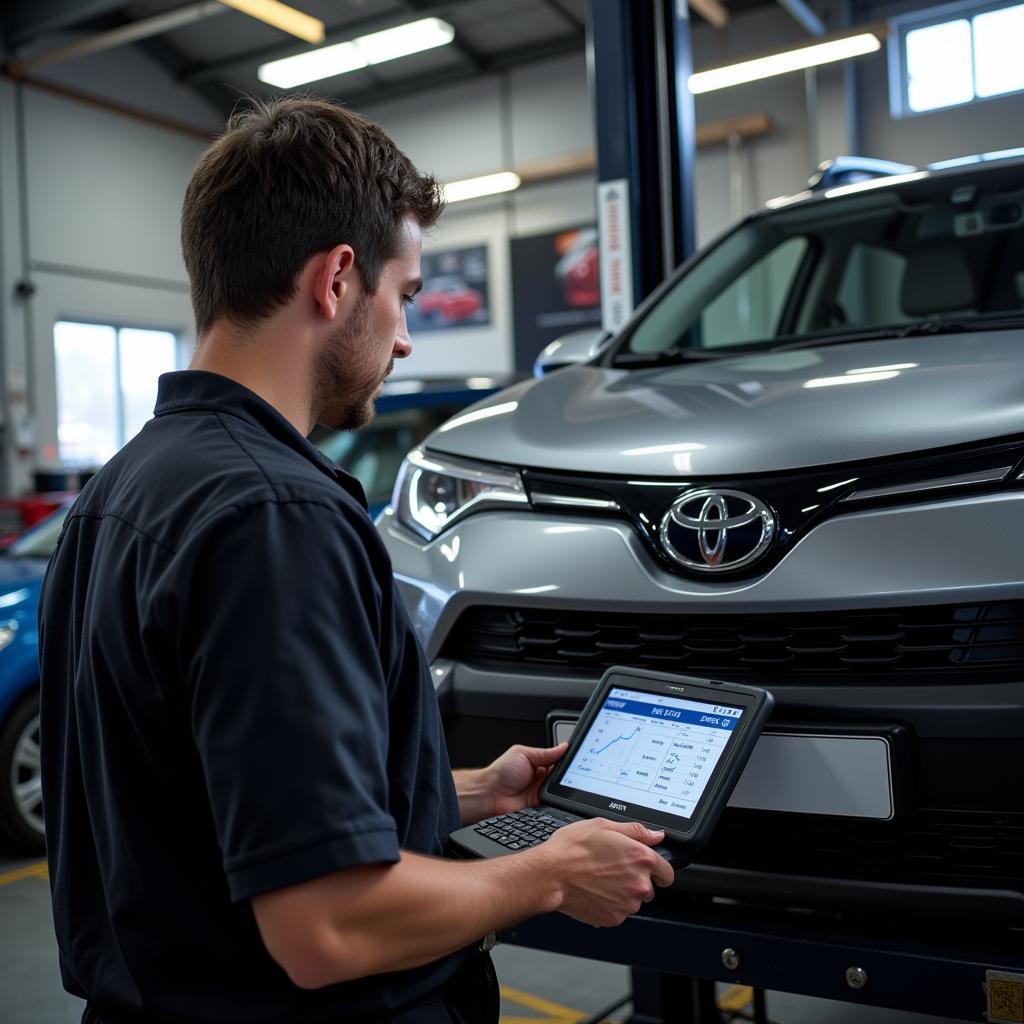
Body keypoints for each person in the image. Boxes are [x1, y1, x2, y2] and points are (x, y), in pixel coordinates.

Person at [38, 96, 675, 1024]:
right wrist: (550, 871)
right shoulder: (276, 517)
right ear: (338, 279)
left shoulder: (120, 493)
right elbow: (327, 924)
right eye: (405, 294)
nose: (407, 336)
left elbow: (204, 802)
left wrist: (461, 795)